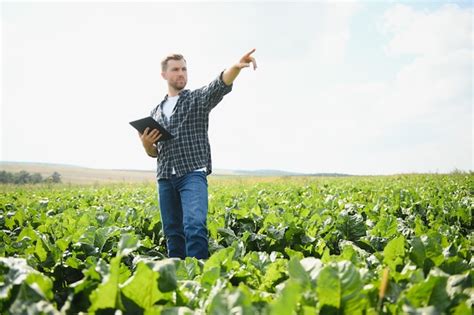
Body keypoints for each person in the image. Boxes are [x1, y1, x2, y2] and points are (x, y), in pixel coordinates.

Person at [138, 49, 257, 259]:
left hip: (192, 174)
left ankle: (199, 277)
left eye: (184, 69)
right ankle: (178, 278)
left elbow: (218, 86)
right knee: (172, 233)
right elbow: (154, 153)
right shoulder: (155, 112)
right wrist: (146, 145)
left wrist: (236, 67)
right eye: (175, 69)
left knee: (194, 225)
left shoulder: (196, 100)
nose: (181, 73)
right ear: (164, 75)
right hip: (165, 177)